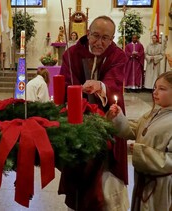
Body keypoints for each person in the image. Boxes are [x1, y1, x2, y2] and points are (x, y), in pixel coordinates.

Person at [59, 16, 129, 210]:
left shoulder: (118, 55)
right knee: (79, 175)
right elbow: (64, 84)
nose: (99, 42)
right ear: (88, 33)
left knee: (108, 182)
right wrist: (76, 91)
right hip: (78, 122)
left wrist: (101, 87)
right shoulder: (72, 54)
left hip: (108, 123)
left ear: (112, 38)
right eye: (95, 36)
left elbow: (115, 82)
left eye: (106, 38)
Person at [107, 71, 172, 211]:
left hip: (162, 187)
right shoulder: (153, 113)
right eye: (155, 88)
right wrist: (118, 118)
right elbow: (136, 130)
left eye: (162, 89)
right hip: (143, 181)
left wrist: (140, 152)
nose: (155, 92)